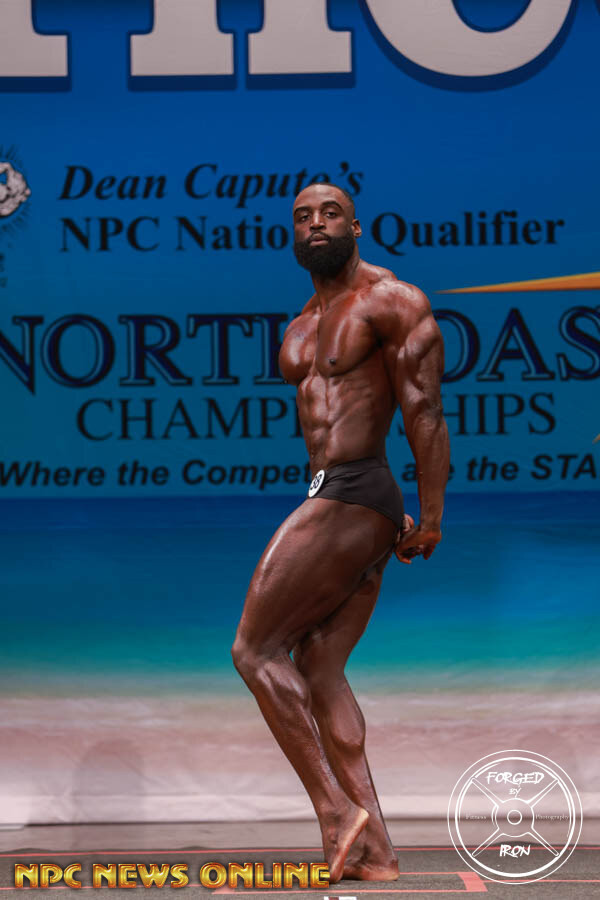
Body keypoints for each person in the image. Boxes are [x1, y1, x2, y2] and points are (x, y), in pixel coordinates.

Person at [232, 183, 450, 883]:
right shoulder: (301, 324)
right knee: (319, 671)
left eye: (330, 214)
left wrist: (430, 516)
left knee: (254, 651)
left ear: (357, 226)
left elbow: (423, 409)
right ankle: (375, 851)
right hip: (345, 497)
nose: (316, 224)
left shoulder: (392, 300)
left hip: (357, 490)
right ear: (292, 235)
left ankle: (334, 812)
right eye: (303, 217)